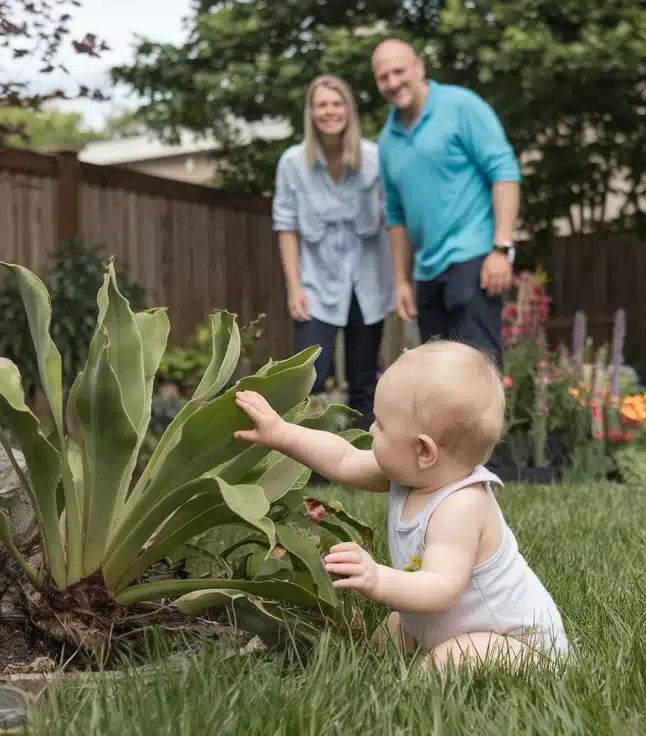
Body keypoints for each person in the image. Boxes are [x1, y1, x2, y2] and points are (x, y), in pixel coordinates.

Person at [232, 340, 569, 672]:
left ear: (423, 451)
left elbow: (440, 587)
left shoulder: (461, 505)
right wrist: (281, 433)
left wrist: (377, 578)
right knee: (385, 636)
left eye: (381, 424)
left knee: (440, 664)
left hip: (514, 640)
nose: (371, 428)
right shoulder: (410, 472)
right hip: (446, 621)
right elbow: (343, 458)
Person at [370, 39, 521, 370]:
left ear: (419, 67)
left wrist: (501, 249)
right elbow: (395, 215)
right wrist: (402, 282)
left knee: (479, 372)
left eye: (399, 71)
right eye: (383, 77)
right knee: (440, 382)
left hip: (473, 259)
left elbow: (504, 172)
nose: (393, 82)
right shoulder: (387, 142)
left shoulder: (461, 106)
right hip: (427, 272)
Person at [273, 74, 396, 431]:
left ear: (349, 110)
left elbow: (396, 218)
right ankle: (303, 467)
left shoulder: (376, 158)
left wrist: (402, 280)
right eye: (322, 104)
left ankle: (366, 462)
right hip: (315, 284)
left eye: (337, 104)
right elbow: (286, 226)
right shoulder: (292, 163)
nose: (330, 111)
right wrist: (294, 286)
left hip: (368, 283)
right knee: (307, 380)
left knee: (364, 380)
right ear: (311, 113)